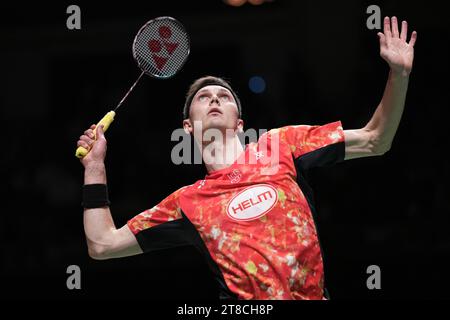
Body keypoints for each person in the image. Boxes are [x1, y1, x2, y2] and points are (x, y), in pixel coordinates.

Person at [77, 17, 416, 300]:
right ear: (188, 128)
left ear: (240, 123)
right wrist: (94, 167)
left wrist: (398, 75)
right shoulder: (187, 203)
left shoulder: (281, 146)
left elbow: (376, 140)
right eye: (203, 97)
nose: (213, 99)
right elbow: (102, 244)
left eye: (223, 96)